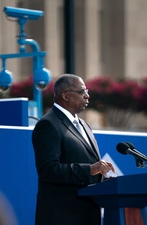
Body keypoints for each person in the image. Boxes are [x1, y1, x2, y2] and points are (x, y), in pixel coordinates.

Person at [32, 74, 115, 225]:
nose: (87, 96)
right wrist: (89, 170)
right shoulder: (48, 125)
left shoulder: (84, 125)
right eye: (83, 91)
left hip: (89, 214)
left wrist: (103, 180)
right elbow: (48, 170)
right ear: (66, 95)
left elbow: (87, 164)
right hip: (62, 216)